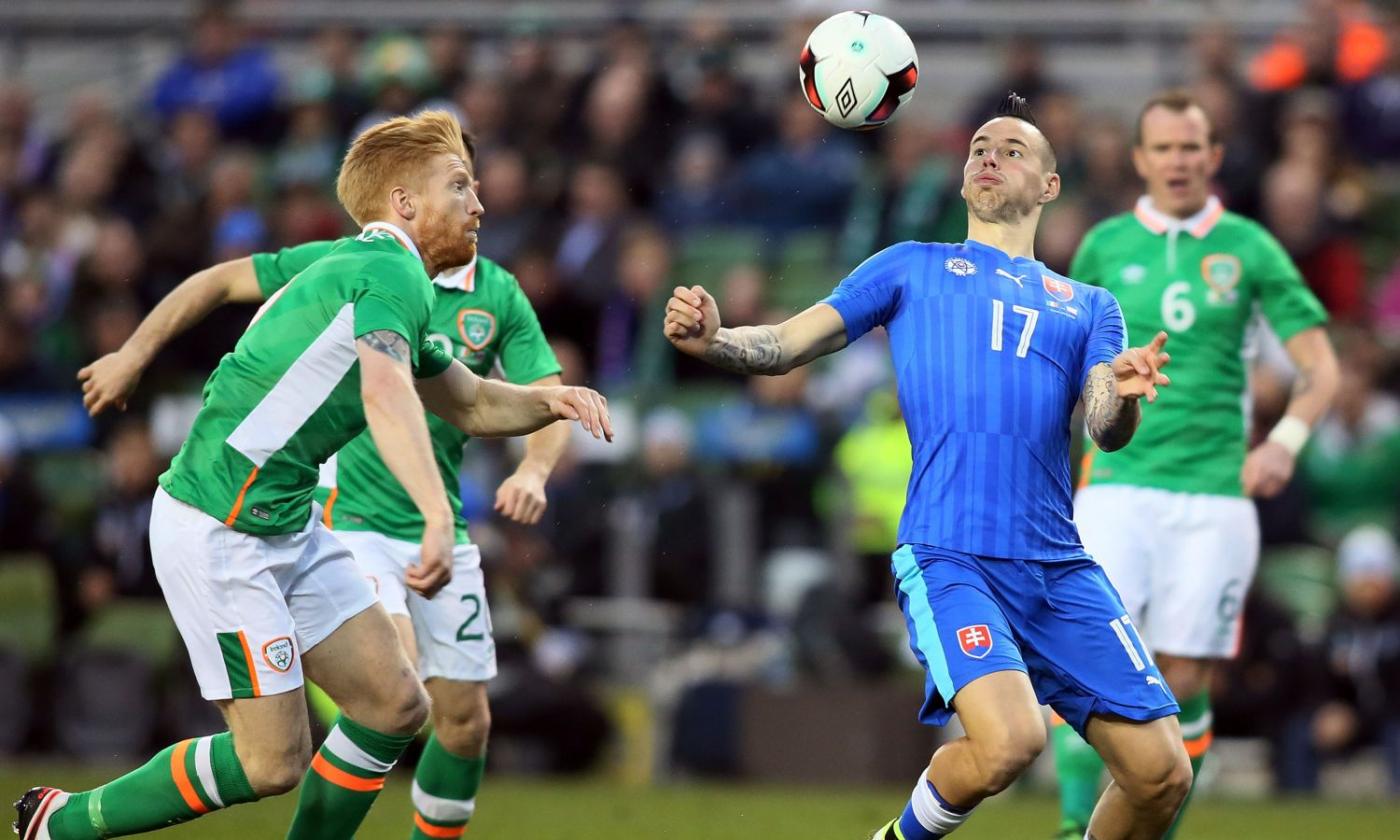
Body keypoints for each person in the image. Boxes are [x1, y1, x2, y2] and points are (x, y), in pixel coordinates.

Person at [14, 110, 612, 840]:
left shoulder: (380, 275)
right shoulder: (388, 270)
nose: (479, 204)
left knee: (395, 704)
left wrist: (548, 400)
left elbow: (472, 401)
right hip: (220, 528)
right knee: (272, 763)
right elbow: (385, 393)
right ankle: (65, 823)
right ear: (404, 204)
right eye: (459, 186)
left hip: (287, 524)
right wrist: (432, 512)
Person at [664, 94, 1190, 840]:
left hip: (1058, 567)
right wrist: (718, 340)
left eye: (1012, 148)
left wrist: (1125, 394)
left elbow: (1107, 428)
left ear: (1049, 185)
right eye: (979, 144)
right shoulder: (911, 267)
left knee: (1162, 774)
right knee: (1011, 743)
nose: (988, 154)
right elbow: (781, 345)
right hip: (952, 553)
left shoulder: (1090, 307)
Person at [1051, 89, 1338, 840]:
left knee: (1182, 680)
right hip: (1114, 486)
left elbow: (1321, 370)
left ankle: (1155, 831)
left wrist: (1284, 443)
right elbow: (1075, 372)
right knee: (1093, 665)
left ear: (1212, 157)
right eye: (1164, 148)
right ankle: (1073, 826)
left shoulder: (1249, 247)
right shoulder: (1104, 246)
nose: (1178, 161)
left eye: (1191, 148)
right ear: (1140, 159)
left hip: (1213, 496)